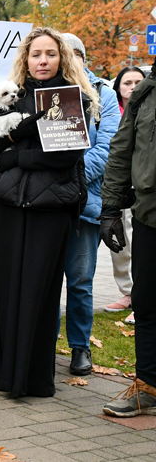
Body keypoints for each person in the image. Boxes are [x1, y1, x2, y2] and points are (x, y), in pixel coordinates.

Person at [0, 27, 100, 398]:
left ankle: (32, 379)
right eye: (35, 54)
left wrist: (11, 155)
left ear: (62, 58)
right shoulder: (10, 95)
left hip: (51, 212)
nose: (42, 61)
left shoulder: (70, 99)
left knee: (38, 294)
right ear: (25, 60)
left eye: (50, 54)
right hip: (5, 207)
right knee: (3, 290)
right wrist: (19, 137)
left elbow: (63, 155)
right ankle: (4, 376)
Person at [58, 33, 122, 376]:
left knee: (80, 281)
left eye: (72, 55)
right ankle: (44, 344)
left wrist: (70, 180)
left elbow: (108, 149)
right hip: (49, 204)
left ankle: (80, 347)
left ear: (83, 58)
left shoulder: (104, 95)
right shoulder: (48, 91)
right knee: (47, 279)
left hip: (85, 205)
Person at [99, 58, 156, 417]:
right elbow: (122, 150)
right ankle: (147, 386)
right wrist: (110, 209)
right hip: (150, 216)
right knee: (147, 302)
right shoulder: (146, 92)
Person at [104, 67, 146, 324]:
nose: (132, 86)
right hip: (117, 189)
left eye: (137, 82)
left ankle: (141, 298)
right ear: (118, 87)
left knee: (139, 246)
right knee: (119, 247)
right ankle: (127, 293)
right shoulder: (112, 113)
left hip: (141, 191)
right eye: (127, 82)